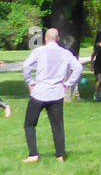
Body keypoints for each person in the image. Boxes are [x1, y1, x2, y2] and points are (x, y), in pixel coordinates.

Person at [22, 28, 83, 162]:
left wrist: (30, 82)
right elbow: (78, 68)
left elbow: (26, 66)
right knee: (57, 125)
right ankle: (60, 155)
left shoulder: (39, 51)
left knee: (30, 124)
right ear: (58, 39)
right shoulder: (65, 53)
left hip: (39, 92)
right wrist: (68, 83)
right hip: (56, 93)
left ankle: (33, 154)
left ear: (45, 38)